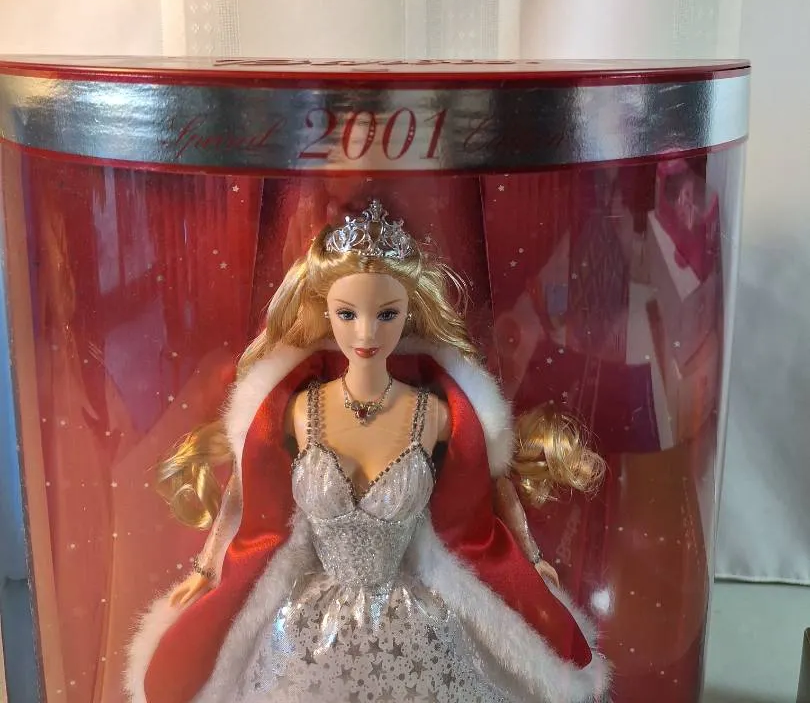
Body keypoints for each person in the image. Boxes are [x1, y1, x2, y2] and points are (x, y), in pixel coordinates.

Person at [126, 200, 609, 703]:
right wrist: (206, 569)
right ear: (325, 310)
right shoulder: (297, 412)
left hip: (414, 629)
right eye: (347, 314)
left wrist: (531, 558)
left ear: (409, 311)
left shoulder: (435, 416)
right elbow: (249, 500)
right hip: (306, 634)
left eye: (386, 315)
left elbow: (483, 498)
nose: (366, 333)